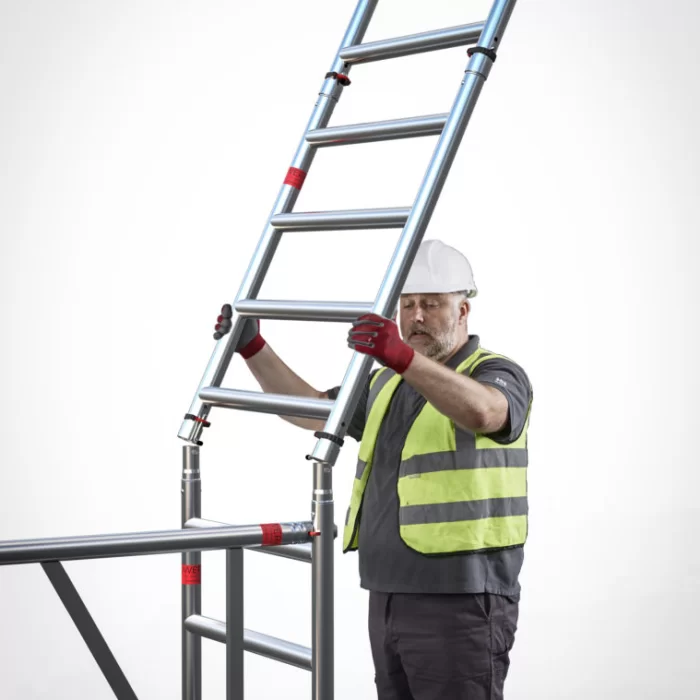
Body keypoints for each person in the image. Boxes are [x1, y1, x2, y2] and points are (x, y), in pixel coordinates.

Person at [215, 238, 533, 700]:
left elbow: (486, 412)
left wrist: (403, 358)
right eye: (407, 305)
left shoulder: (496, 372)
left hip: (461, 597)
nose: (416, 317)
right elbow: (311, 411)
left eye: (431, 304)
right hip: (387, 591)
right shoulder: (386, 380)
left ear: (463, 310)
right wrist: (253, 348)